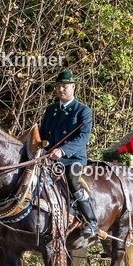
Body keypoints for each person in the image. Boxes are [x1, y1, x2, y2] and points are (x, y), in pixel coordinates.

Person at [40, 69, 98, 239]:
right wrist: (40, 147)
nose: (61, 89)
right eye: (58, 86)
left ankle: (92, 222)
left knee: (73, 181)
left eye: (65, 86)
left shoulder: (83, 111)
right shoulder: (51, 110)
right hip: (50, 158)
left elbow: (82, 137)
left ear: (73, 87)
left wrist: (63, 150)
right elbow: (43, 134)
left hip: (73, 158)